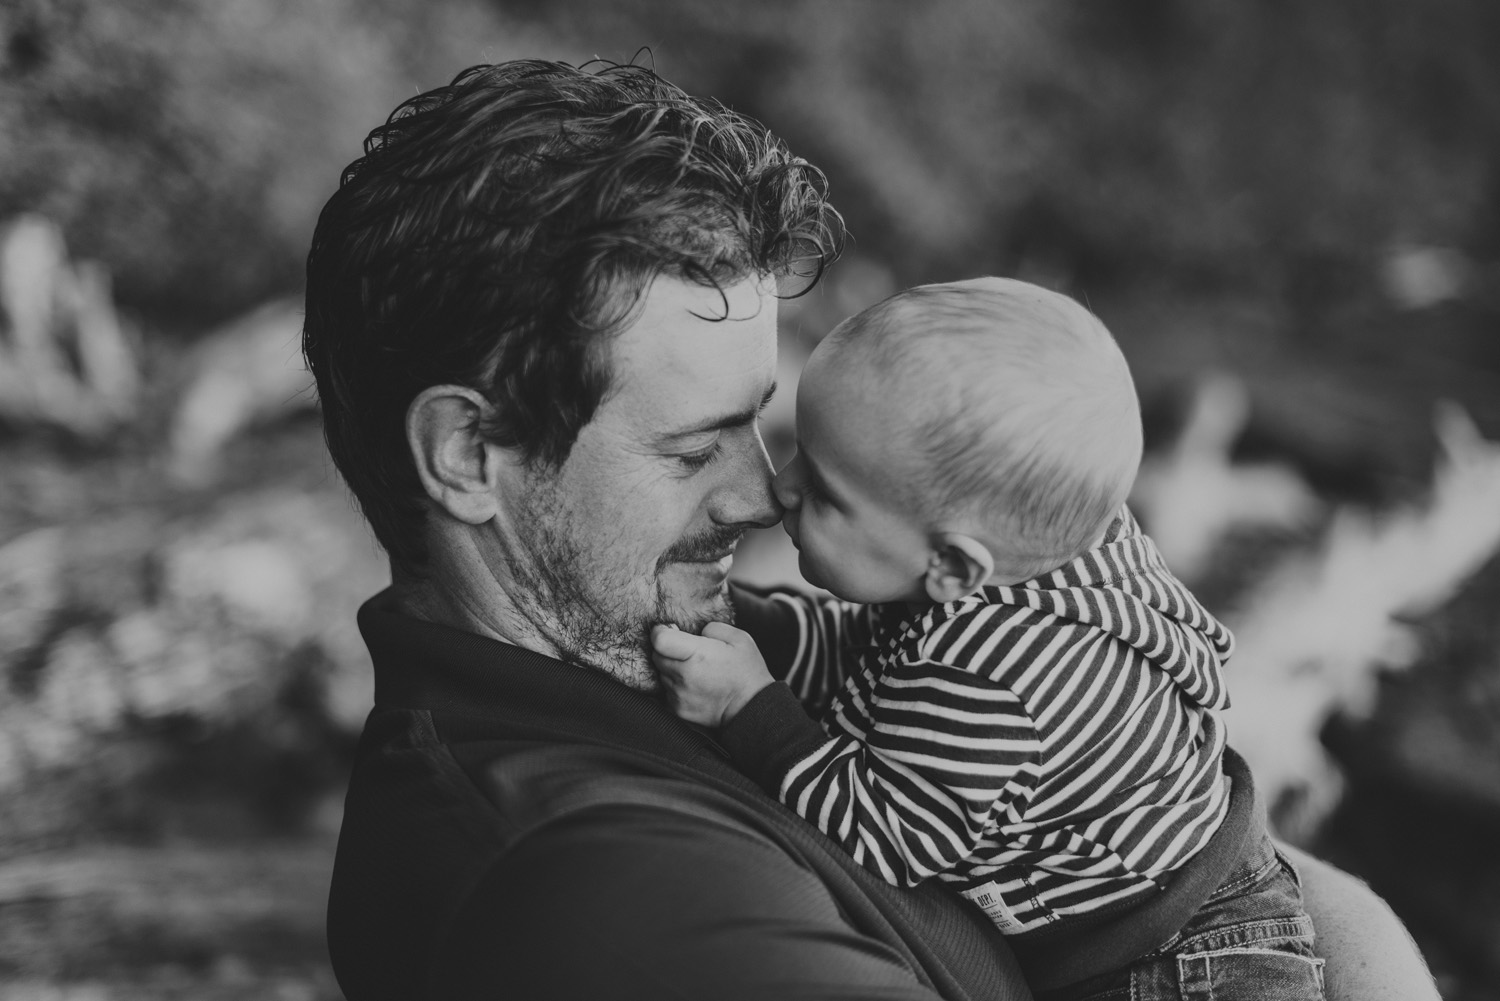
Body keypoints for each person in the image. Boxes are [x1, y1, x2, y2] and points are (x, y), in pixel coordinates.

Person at [303, 57, 1439, 1000]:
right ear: (468, 455)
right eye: (695, 449)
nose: (762, 496)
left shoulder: (655, 630)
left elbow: (1195, 846)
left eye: (763, 425)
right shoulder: (607, 887)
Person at [650, 277, 1320, 999]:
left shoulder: (994, 681)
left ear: (952, 566)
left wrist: (749, 710)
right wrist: (752, 623)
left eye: (826, 489)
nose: (779, 486)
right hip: (1195, 897)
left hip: (1182, 962)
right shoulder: (1013, 553)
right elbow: (872, 663)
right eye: (801, 451)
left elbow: (885, 835)